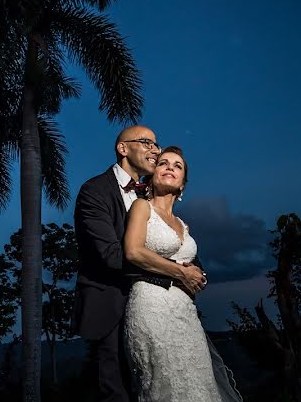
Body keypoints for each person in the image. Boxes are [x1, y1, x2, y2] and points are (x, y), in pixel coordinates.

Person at [73, 126, 206, 402]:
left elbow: (180, 250)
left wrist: (193, 271)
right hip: (111, 303)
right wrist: (175, 273)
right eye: (147, 143)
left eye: (156, 145)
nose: (155, 150)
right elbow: (111, 255)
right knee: (117, 391)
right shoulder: (95, 191)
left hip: (161, 310)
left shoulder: (153, 194)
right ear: (123, 148)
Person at [123, 146, 241, 402]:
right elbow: (133, 252)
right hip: (152, 306)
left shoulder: (183, 225)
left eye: (177, 166)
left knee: (199, 383)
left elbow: (195, 269)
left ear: (183, 185)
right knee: (167, 385)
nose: (169, 168)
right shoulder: (142, 208)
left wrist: (198, 277)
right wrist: (181, 272)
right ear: (152, 175)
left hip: (186, 314)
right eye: (163, 163)